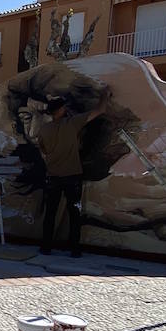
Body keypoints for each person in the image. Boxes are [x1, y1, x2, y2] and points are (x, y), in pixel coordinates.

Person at [34, 94, 107, 257]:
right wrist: (104, 94)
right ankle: (75, 249)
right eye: (64, 107)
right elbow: (100, 110)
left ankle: (46, 247)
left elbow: (43, 151)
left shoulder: (44, 130)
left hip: (53, 177)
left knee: (50, 212)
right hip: (72, 177)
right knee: (75, 213)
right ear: (60, 110)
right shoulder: (72, 123)